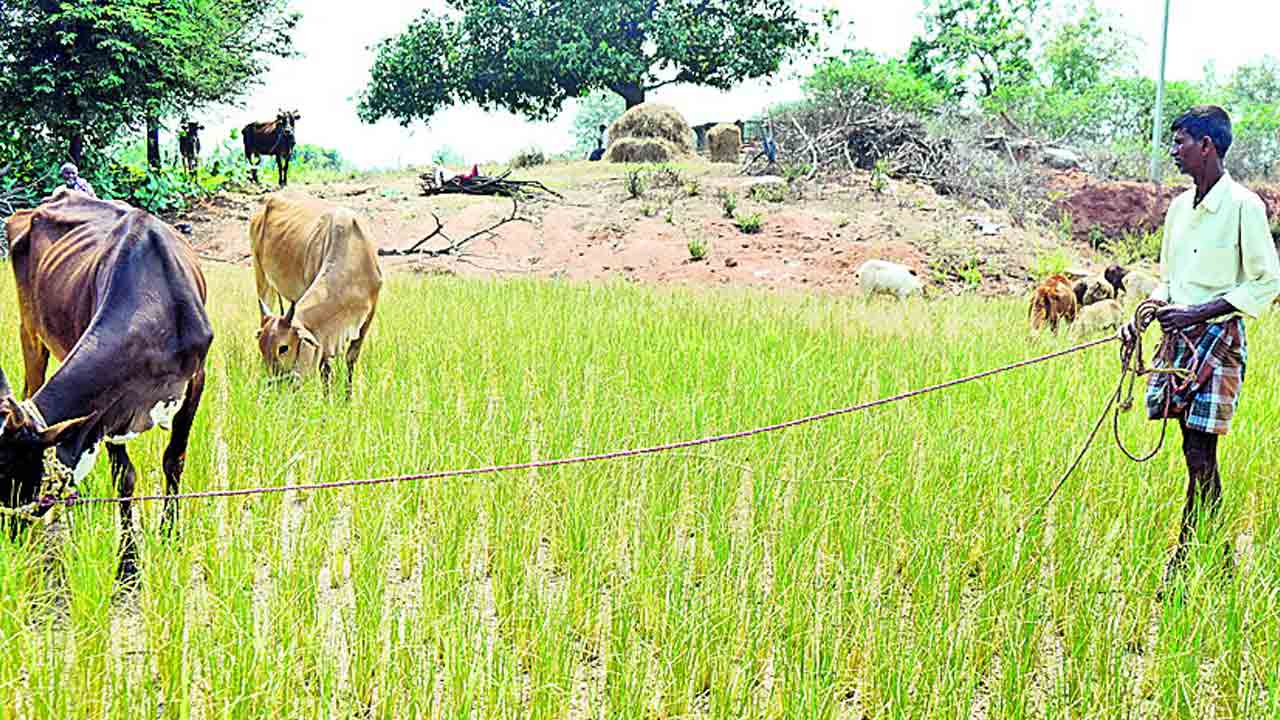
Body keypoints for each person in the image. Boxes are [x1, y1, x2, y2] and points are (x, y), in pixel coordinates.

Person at [1120, 105, 1280, 575]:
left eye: (1181, 141)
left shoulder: (1244, 206)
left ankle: (1187, 560)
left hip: (1218, 339)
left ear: (1207, 146)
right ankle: (1218, 555)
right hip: (1178, 343)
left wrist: (1199, 311)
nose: (1173, 151)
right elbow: (1169, 281)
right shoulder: (1176, 209)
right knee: (1193, 452)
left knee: (1201, 451)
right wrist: (1144, 313)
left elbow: (1267, 282)